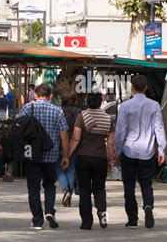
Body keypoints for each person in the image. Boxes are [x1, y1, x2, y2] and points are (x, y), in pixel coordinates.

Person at [115, 74, 167, 229]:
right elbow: (159, 128)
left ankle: (132, 219)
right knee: (146, 184)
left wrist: (117, 150)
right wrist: (162, 150)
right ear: (146, 88)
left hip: (129, 151)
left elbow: (121, 131)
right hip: (147, 151)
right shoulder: (154, 105)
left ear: (132, 87)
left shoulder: (125, 106)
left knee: (129, 186)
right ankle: (148, 205)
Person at [19, 83, 69, 230]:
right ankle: (49, 211)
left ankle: (37, 220)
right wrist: (65, 155)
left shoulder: (28, 108)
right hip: (51, 154)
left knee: (33, 188)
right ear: (50, 95)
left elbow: (19, 128)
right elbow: (64, 135)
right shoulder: (57, 111)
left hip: (32, 154)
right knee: (49, 184)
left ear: (36, 95)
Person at [69, 92, 115, 229]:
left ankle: (86, 222)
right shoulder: (108, 119)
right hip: (100, 159)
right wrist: (110, 161)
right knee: (100, 188)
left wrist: (67, 155)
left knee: (84, 190)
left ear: (87, 102)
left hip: (83, 158)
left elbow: (76, 139)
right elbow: (111, 143)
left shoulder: (82, 116)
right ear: (101, 103)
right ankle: (102, 211)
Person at [56, 92, 81, 207]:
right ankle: (68, 193)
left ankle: (66, 190)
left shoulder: (58, 111)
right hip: (74, 143)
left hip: (59, 142)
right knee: (71, 169)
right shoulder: (78, 112)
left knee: (59, 168)